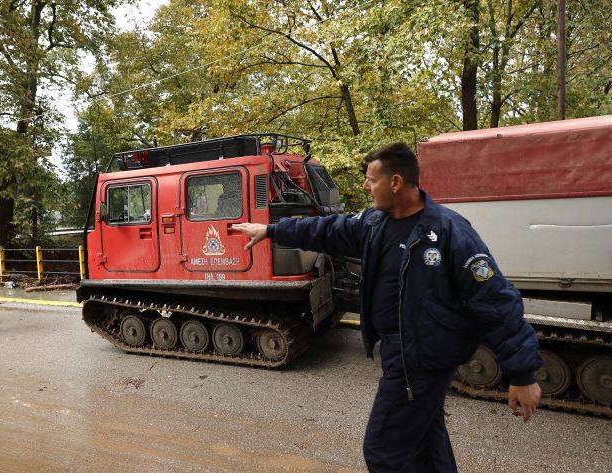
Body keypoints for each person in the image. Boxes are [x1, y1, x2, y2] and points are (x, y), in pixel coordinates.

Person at [232, 142, 542, 472]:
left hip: (418, 357)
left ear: (395, 182)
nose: (366, 186)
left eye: (371, 179)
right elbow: (329, 229)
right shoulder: (376, 223)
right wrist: (271, 230)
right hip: (401, 350)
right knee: (427, 439)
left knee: (383, 450)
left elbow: (495, 300)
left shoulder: (449, 231)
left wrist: (522, 374)